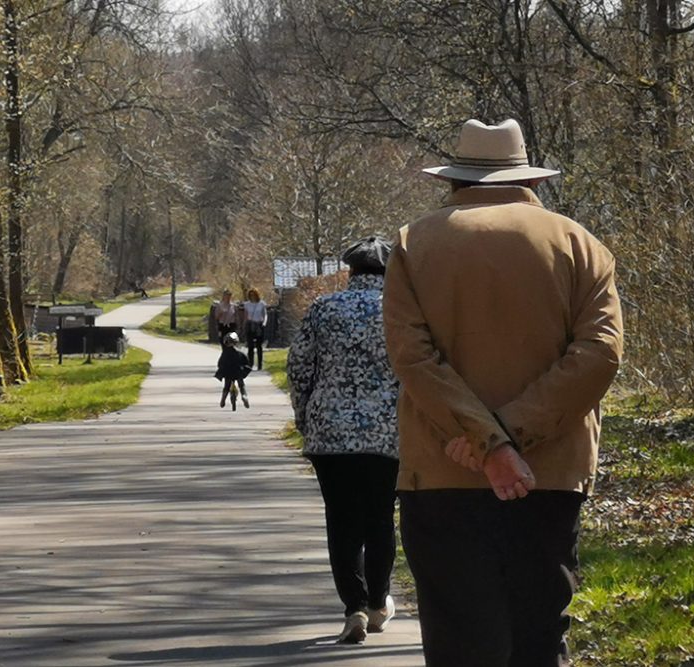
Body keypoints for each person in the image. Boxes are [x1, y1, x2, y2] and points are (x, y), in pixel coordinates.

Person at [382, 119, 624, 666]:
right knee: (539, 636)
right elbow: (600, 354)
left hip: (442, 474)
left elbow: (413, 358)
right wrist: (511, 438)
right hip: (551, 473)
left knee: (460, 639)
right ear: (531, 182)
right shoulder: (581, 245)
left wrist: (488, 444)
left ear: (455, 181)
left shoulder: (413, 243)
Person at [288, 237, 400, 645]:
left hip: (329, 432)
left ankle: (352, 607)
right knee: (380, 518)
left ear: (350, 272)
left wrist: (304, 414)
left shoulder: (323, 308)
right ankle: (377, 602)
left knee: (341, 519)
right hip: (388, 433)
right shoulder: (401, 311)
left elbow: (299, 365)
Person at [215, 332, 251, 410]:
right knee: (241, 385)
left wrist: (221, 369)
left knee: (226, 386)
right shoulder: (240, 353)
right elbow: (246, 362)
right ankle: (244, 395)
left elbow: (220, 363)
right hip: (238, 372)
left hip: (228, 373)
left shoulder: (225, 353)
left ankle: (223, 399)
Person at [243, 287, 267, 370]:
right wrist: (244, 325)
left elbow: (265, 315)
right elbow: (245, 316)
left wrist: (264, 323)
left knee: (259, 346)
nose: (252, 296)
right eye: (250, 295)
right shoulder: (246, 304)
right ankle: (250, 363)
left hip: (259, 325)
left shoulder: (262, 304)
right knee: (250, 346)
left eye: (253, 295)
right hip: (250, 324)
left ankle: (260, 364)